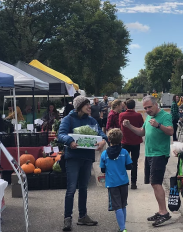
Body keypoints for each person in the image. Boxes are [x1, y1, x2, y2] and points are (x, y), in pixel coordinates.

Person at [57, 96, 108, 231]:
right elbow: (60, 134)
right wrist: (70, 141)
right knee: (71, 189)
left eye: (90, 105)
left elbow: (101, 133)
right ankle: (67, 218)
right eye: (87, 105)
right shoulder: (69, 119)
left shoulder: (91, 120)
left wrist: (103, 140)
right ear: (79, 106)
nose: (90, 107)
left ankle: (82, 216)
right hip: (73, 158)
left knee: (84, 188)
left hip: (87, 158)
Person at [122, 96, 174, 227]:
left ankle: (164, 213)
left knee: (156, 183)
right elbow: (141, 132)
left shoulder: (164, 116)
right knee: (153, 183)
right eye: (145, 108)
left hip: (160, 153)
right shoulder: (149, 117)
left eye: (149, 107)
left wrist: (158, 125)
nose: (147, 110)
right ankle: (160, 210)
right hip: (150, 153)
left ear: (156, 105)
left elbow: (171, 131)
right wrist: (129, 126)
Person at [100, 128, 132, 232]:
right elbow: (129, 166)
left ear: (109, 139)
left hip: (112, 183)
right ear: (121, 139)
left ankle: (123, 229)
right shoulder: (124, 152)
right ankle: (123, 226)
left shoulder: (104, 154)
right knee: (123, 204)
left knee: (117, 206)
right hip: (123, 181)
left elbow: (102, 169)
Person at [119, 99, 144, 189]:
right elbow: (142, 125)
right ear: (134, 106)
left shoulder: (122, 115)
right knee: (134, 162)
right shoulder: (138, 115)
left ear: (126, 106)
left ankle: (123, 181)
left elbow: (120, 125)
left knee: (122, 162)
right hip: (135, 141)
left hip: (125, 141)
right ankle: (134, 182)